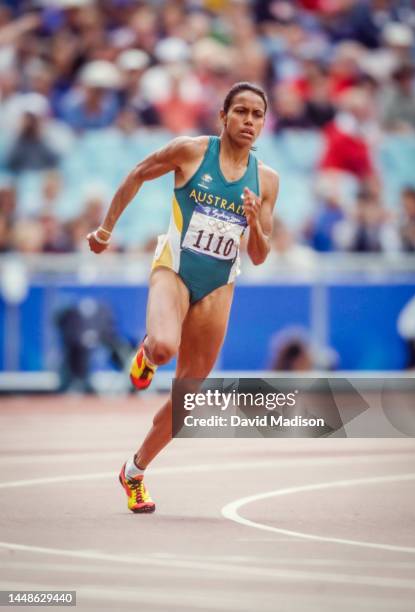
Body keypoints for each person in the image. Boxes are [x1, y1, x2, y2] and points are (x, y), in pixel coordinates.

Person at [87, 82, 279, 513]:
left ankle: (133, 473)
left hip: (219, 286)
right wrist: (105, 230)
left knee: (186, 403)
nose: (249, 121)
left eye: (258, 115)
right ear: (223, 116)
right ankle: (147, 355)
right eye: (241, 112)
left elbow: (260, 256)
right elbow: (137, 173)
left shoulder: (266, 180)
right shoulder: (191, 152)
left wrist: (255, 223)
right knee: (163, 345)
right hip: (174, 267)